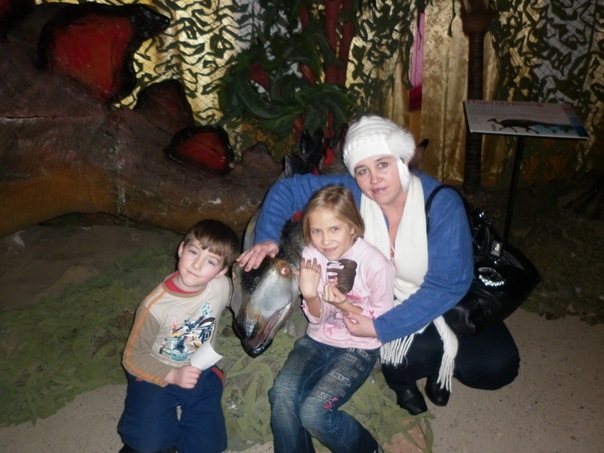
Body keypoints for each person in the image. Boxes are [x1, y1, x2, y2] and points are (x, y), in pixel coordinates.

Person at [238, 115, 520, 416]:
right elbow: (289, 190)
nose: (374, 180)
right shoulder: (355, 191)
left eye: (383, 164)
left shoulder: (441, 203)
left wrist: (380, 327)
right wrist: (266, 238)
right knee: (406, 355)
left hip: (450, 300)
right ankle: (416, 364)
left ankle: (431, 359)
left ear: (402, 160)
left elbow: (448, 285)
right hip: (388, 294)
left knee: (496, 367)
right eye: (363, 170)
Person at [268, 184, 394, 453]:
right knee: (282, 394)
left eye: (334, 229)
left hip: (359, 346)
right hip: (318, 340)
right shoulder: (312, 255)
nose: (325, 240)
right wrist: (310, 295)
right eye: (316, 231)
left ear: (353, 227)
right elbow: (317, 319)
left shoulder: (375, 264)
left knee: (314, 412)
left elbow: (383, 321)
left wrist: (344, 305)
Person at [118, 219, 239, 453]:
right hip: (158, 369)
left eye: (211, 261)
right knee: (147, 443)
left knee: (208, 446)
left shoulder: (222, 287)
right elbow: (132, 357)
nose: (197, 265)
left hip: (198, 367)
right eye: (193, 252)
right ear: (181, 249)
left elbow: (246, 295)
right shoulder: (155, 306)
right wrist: (172, 375)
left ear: (221, 272)